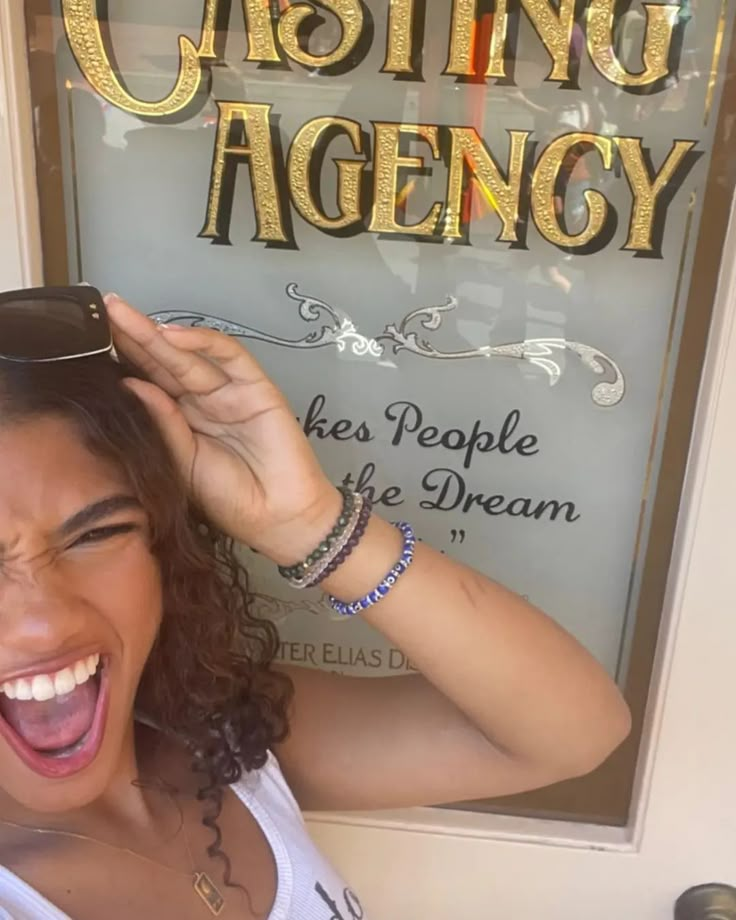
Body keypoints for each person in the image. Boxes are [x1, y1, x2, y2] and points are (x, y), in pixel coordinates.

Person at [0, 287, 630, 919]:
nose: (44, 621)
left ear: (164, 550)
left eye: (98, 534)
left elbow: (576, 733)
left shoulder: (213, 734)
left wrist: (310, 526)